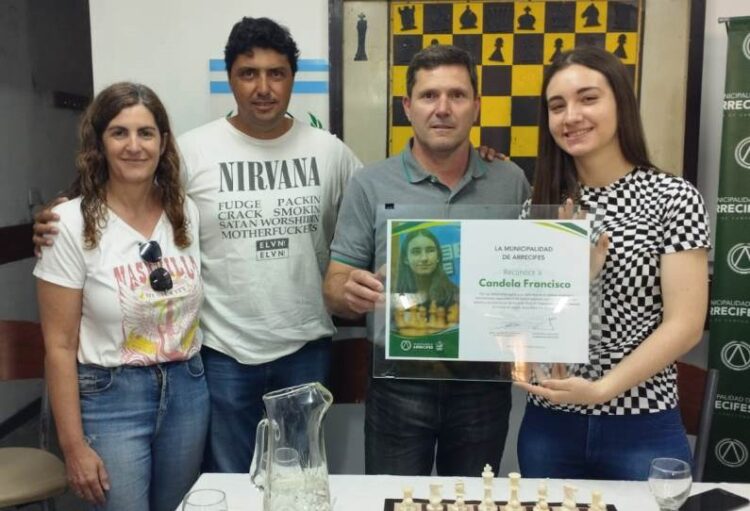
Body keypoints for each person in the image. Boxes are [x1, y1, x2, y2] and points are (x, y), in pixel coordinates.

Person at [33, 17, 362, 474]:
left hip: (306, 347)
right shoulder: (192, 152)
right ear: (230, 78)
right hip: (222, 353)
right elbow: (127, 199)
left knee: (299, 478)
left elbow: (371, 213)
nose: (263, 87)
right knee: (230, 481)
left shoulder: (330, 152)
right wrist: (62, 214)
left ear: (292, 78)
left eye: (276, 73)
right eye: (248, 73)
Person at [323, 44, 530, 476]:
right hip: (398, 381)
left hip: (482, 383)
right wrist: (351, 292)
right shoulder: (369, 183)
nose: (443, 109)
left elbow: (530, 275)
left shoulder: (510, 181)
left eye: (457, 95)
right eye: (429, 95)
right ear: (408, 107)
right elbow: (334, 287)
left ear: (476, 105)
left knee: (472, 503)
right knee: (393, 500)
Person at [515, 46, 710, 480]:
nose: (571, 116)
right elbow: (532, 327)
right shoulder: (539, 208)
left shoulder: (673, 199)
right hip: (551, 422)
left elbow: (685, 325)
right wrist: (576, 279)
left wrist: (603, 390)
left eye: (588, 98)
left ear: (620, 102)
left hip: (643, 422)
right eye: (557, 106)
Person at [34, 82, 208, 511]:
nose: (134, 146)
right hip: (111, 396)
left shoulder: (184, 212)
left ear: (162, 142)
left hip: (187, 390)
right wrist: (73, 446)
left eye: (145, 133)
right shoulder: (67, 224)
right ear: (100, 143)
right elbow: (59, 346)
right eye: (119, 133)